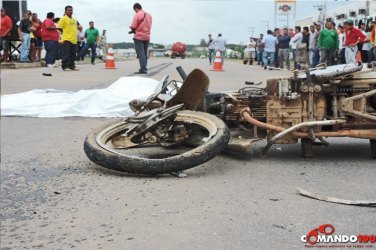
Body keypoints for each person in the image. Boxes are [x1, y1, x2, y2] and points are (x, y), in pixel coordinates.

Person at [129, 3, 152, 74]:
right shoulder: (149, 15)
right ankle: (144, 67)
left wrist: (132, 29)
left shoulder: (137, 14)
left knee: (140, 53)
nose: (135, 11)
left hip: (139, 36)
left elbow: (133, 25)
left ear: (136, 8)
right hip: (147, 36)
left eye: (135, 10)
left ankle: (143, 69)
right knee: (145, 53)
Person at [58, 5, 80, 71]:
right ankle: (65, 66)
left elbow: (78, 26)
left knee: (73, 54)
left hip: (74, 40)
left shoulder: (74, 19)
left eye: (71, 10)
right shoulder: (63, 18)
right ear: (65, 11)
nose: (70, 11)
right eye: (69, 10)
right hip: (66, 39)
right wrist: (63, 35)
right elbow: (59, 28)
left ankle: (72, 66)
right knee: (66, 54)